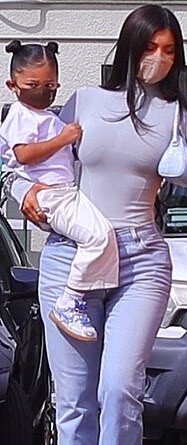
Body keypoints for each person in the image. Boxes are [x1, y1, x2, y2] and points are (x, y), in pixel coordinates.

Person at [10, 3, 187, 445]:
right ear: (129, 48)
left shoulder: (185, 111)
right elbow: (30, 159)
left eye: (170, 50)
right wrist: (24, 195)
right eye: (150, 47)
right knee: (74, 405)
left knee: (119, 391)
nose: (159, 59)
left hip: (140, 259)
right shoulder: (84, 101)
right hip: (71, 257)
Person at [0, 40, 119, 342]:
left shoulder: (50, 117)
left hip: (65, 191)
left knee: (103, 234)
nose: (43, 91)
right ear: (13, 86)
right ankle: (70, 299)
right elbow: (24, 155)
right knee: (97, 237)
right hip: (50, 195)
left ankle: (87, 291)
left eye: (50, 85)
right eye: (33, 85)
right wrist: (63, 139)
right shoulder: (20, 115)